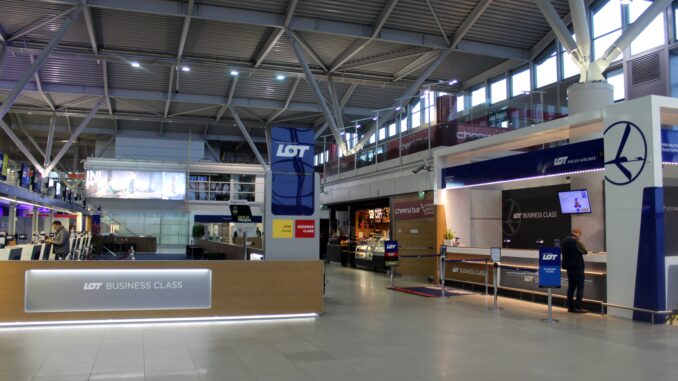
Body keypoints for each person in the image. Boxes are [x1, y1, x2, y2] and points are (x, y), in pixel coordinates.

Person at [560, 228, 589, 313]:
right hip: (578, 267)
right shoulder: (576, 241)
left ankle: (570, 307)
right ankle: (578, 307)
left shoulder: (564, 241)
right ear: (578, 233)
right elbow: (585, 251)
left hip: (569, 268)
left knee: (571, 288)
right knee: (580, 288)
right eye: (579, 234)